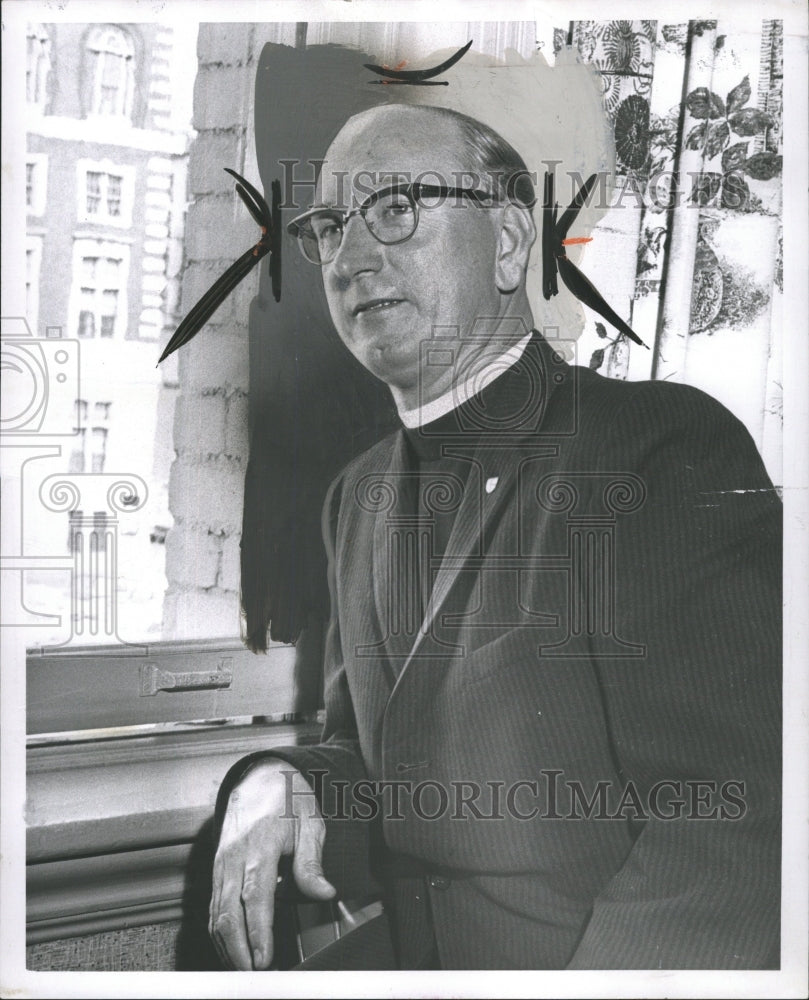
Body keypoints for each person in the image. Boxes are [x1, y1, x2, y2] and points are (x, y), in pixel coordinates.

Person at [208, 104, 782, 970]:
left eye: (397, 206)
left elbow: (735, 820)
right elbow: (375, 763)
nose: (354, 258)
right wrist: (282, 781)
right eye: (330, 226)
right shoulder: (354, 499)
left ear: (510, 240)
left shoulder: (656, 448)